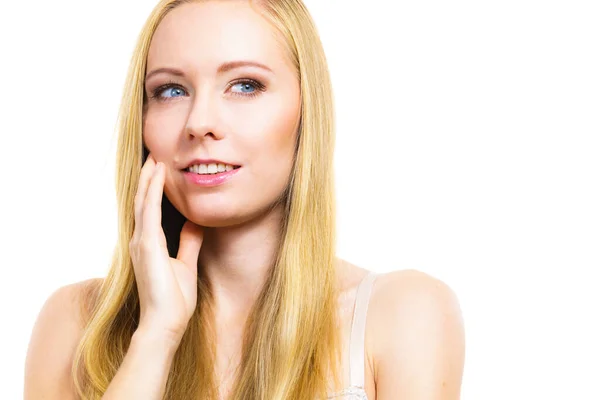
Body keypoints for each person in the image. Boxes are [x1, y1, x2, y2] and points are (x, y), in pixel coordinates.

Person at [24, 0, 465, 399]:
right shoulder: (75, 326)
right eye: (171, 91)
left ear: (306, 110)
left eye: (246, 85)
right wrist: (156, 335)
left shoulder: (402, 315)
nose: (199, 123)